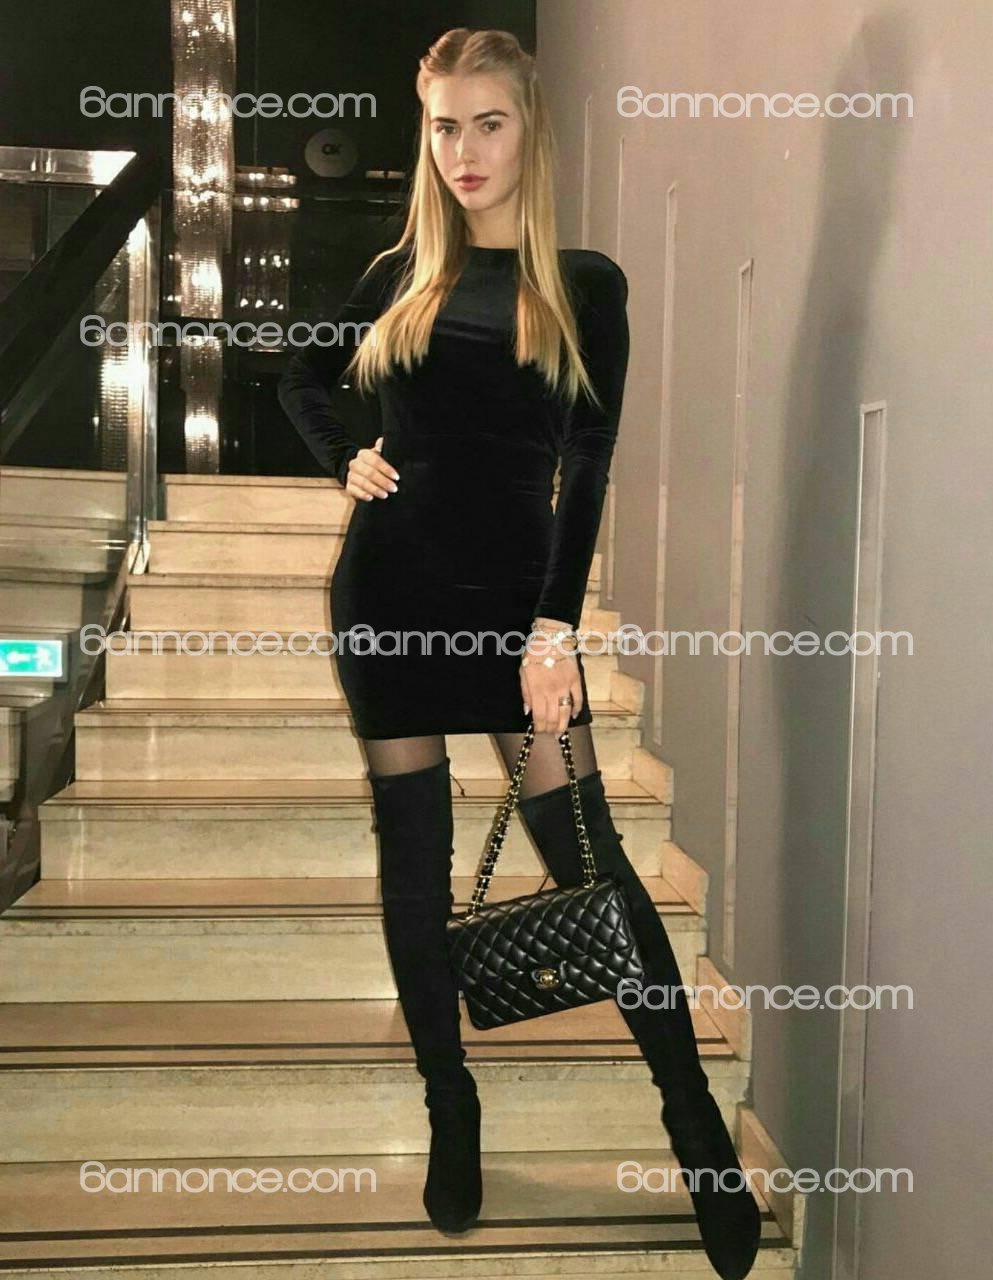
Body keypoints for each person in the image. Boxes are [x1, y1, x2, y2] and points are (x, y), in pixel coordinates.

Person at [278, 27, 760, 1280]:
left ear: (528, 129)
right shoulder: (398, 272)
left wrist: (555, 628)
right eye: (444, 125)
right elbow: (297, 376)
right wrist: (345, 456)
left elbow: (586, 460)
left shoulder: (585, 285)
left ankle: (697, 1133)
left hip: (512, 606)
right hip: (388, 594)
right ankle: (453, 1105)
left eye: (487, 121)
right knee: (412, 869)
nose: (465, 149)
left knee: (591, 857)